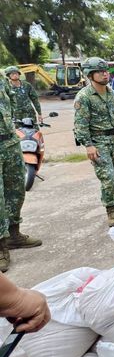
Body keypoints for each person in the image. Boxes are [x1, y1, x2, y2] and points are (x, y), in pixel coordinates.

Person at [74, 57, 114, 227]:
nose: (104, 74)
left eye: (105, 71)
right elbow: (80, 125)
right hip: (98, 142)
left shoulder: (112, 94)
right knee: (107, 176)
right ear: (89, 75)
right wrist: (88, 145)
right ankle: (111, 209)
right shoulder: (84, 97)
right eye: (100, 72)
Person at [0, 79, 42, 272]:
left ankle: (14, 234)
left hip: (10, 142)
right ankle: (1, 246)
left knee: (16, 190)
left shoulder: (2, 78)